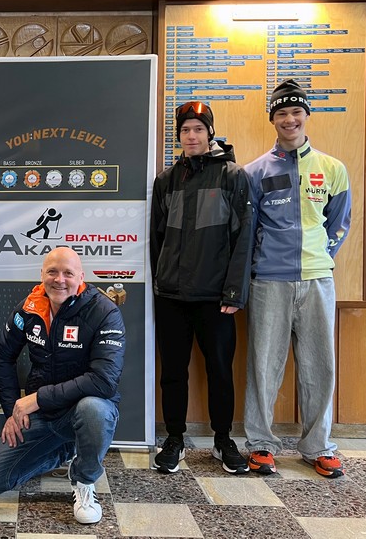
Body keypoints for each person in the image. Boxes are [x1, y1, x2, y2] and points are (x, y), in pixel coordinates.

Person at [243, 79, 351, 478]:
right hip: (268, 281)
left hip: (318, 280)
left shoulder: (332, 169)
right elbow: (248, 230)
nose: (289, 119)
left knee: (320, 366)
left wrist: (319, 258)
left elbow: (339, 224)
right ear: (272, 119)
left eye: (295, 112)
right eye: (282, 113)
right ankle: (261, 444)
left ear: (306, 115)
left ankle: (318, 446)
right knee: (263, 365)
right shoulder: (254, 171)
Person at [0, 247, 125, 525]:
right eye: (52, 272)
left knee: (94, 409)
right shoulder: (29, 307)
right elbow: (3, 356)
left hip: (80, 410)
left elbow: (104, 381)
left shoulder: (104, 311)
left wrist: (37, 399)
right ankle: (65, 451)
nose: (59, 280)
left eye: (68, 273)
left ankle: (84, 480)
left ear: (81, 277)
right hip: (44, 415)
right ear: (42, 275)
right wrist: (12, 412)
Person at [149, 101, 252, 475]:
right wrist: (160, 283)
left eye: (198, 129)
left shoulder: (232, 176)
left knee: (220, 371)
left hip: (216, 298)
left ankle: (223, 440)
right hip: (172, 296)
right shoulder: (166, 180)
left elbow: (244, 238)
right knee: (173, 372)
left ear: (210, 133)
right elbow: (156, 240)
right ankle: (174, 439)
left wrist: (234, 292)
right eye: (185, 130)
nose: (191, 136)